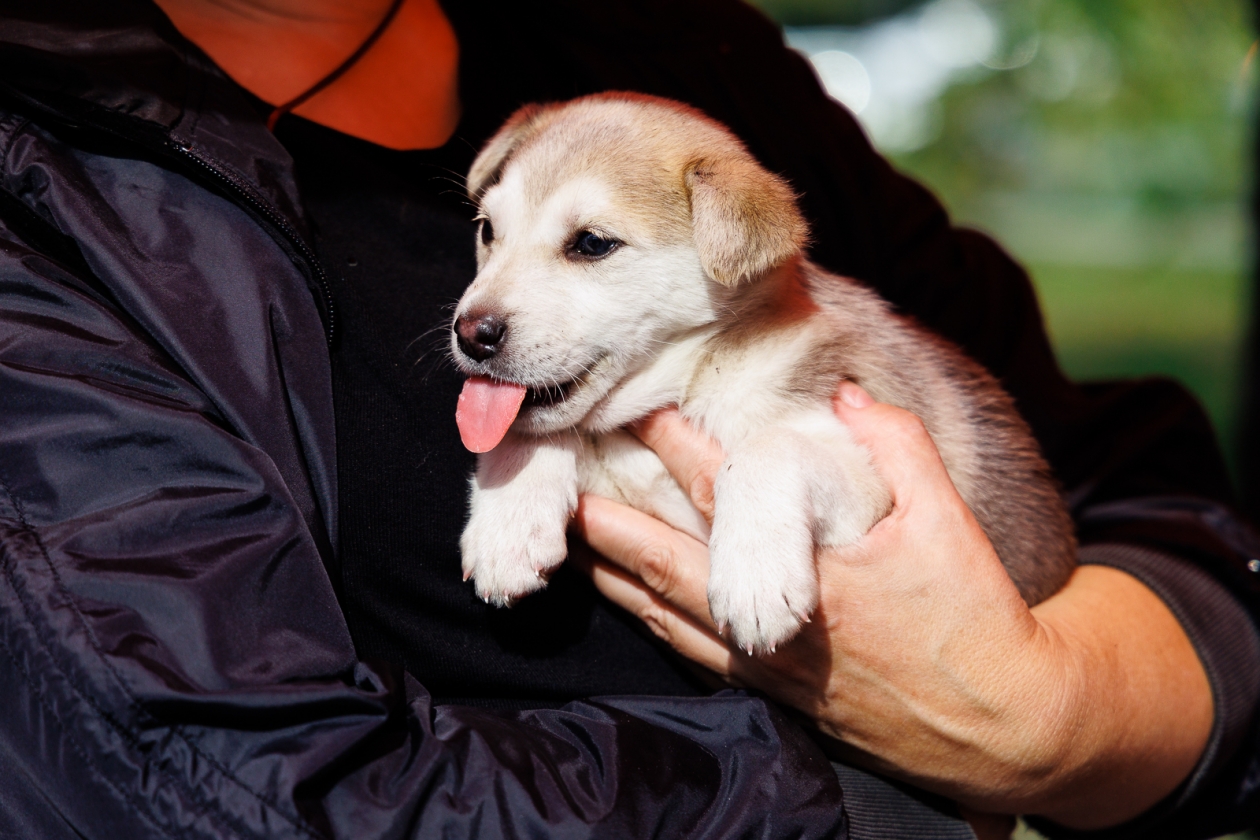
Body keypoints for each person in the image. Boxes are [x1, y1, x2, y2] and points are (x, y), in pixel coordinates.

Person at [0, 0, 1256, 837]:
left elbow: (1142, 496)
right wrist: (884, 793)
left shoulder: (669, 46)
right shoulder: (43, 170)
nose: (478, 305)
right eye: (484, 233)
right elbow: (239, 786)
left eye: (590, 245)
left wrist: (1051, 714)